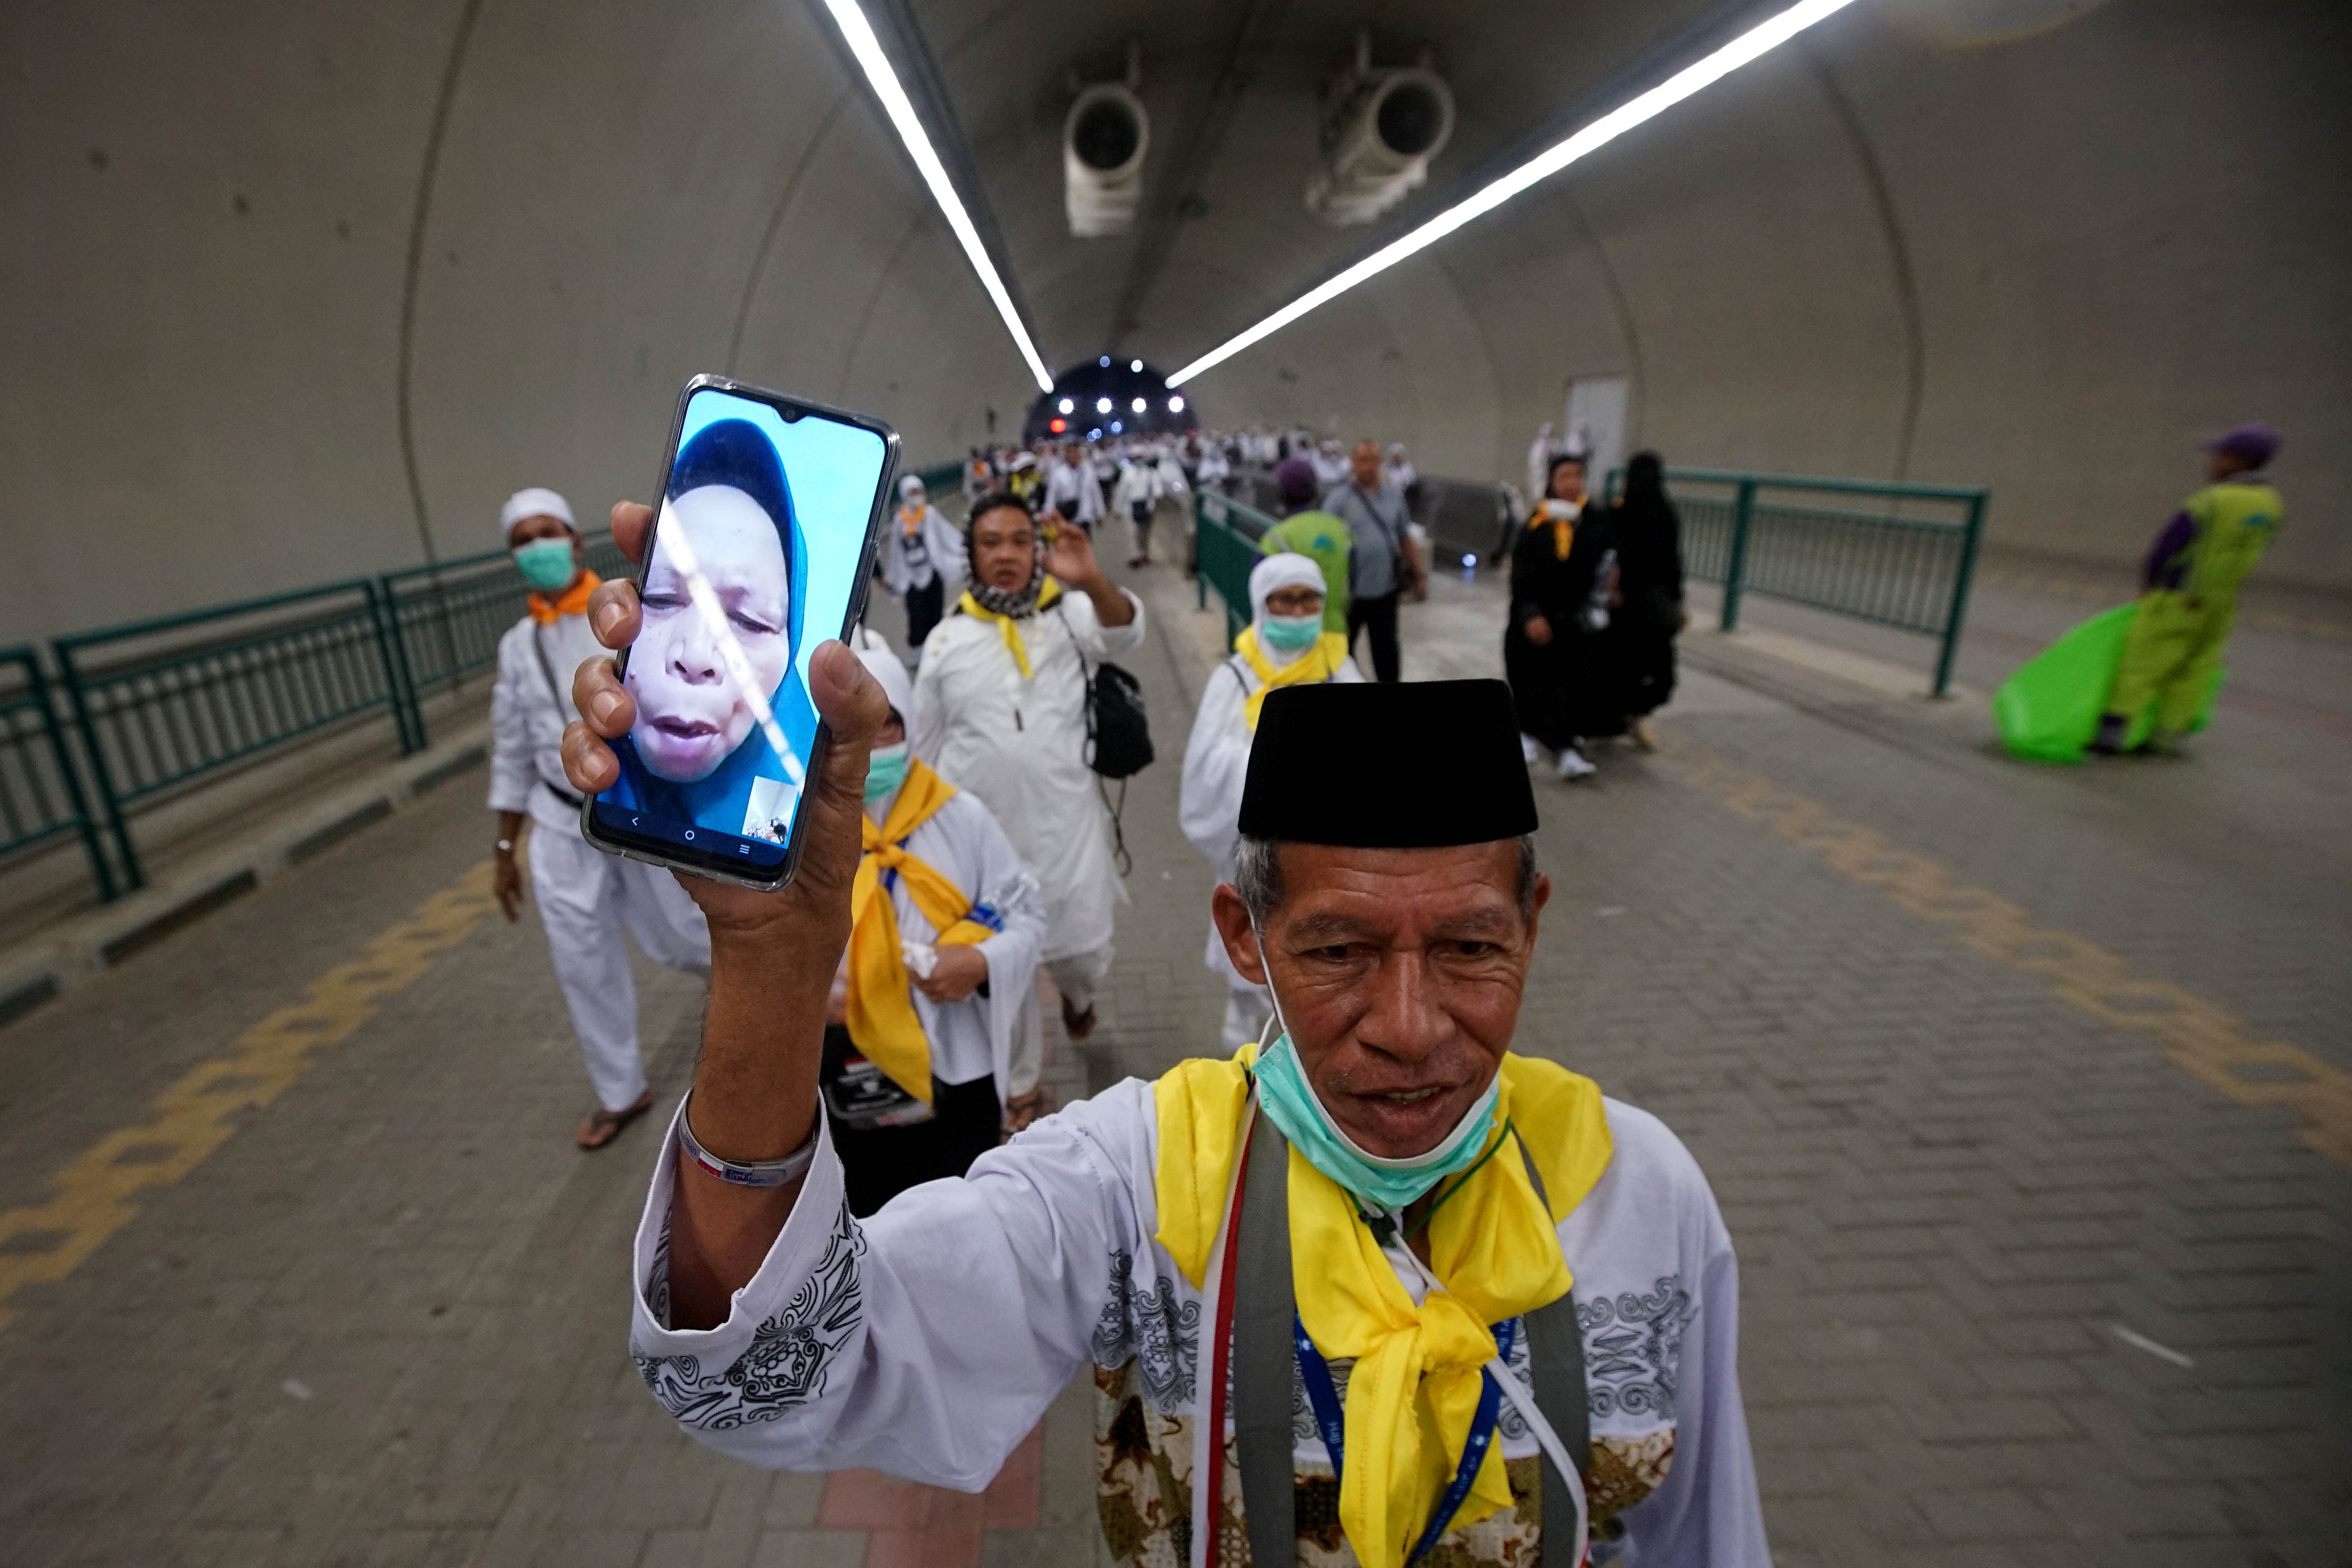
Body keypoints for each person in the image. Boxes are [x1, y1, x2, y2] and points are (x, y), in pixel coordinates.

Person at [557, 643, 1769, 1567]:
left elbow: (1706, 1536)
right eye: (1338, 950)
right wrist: (771, 974)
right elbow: (767, 1378)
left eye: (1468, 947)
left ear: (1533, 923)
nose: (1409, 1024)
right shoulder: (1130, 1184)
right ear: (1243, 937)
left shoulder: (1636, 1192)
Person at [486, 486, 710, 1150]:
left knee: (680, 935)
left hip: (630, 807)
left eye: (547, 533)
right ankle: (622, 1090)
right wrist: (504, 846)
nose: (537, 549)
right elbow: (512, 747)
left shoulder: (618, 612)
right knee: (582, 961)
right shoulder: (517, 645)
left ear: (576, 541)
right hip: (557, 827)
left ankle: (772, 1000)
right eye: (522, 540)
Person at [820, 642, 1048, 1213]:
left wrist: (980, 964)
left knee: (962, 1212)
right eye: (848, 728)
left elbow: (1024, 913)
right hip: (843, 1072)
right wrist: (803, 993)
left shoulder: (959, 817)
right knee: (868, 1219)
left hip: (956, 1069)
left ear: (912, 725)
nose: (870, 747)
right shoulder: (798, 828)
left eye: (886, 725)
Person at [912, 492, 1145, 1044]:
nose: (1007, 555)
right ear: (971, 555)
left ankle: (1078, 996)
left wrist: (1089, 579)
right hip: (985, 840)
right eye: (990, 543)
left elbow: (1124, 633)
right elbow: (923, 743)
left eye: (1021, 541)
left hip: (1068, 827)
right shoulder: (946, 640)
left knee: (1083, 950)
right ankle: (1019, 1088)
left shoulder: (1071, 615)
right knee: (998, 962)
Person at [1181, 552, 1363, 1051]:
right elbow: (1203, 775)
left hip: (1328, 856)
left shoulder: (1339, 670)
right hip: (1254, 855)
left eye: (1309, 600)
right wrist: (1271, 765)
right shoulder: (1235, 680)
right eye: (1285, 600)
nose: (1298, 612)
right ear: (1263, 606)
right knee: (1254, 972)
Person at [598, 418, 810, 842]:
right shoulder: (601, 787)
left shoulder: (788, 788)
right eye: (658, 598)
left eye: (751, 620)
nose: (694, 655)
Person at [2092, 423, 2285, 755]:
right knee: (2194, 670)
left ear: (2239, 461)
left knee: (2142, 664)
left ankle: (2113, 734)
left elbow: (2166, 548)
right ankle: (2169, 738)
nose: (2211, 463)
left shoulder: (2210, 501)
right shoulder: (2271, 505)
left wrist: (2149, 586)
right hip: (2222, 605)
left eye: (2219, 456)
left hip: (2180, 598)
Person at [1506, 454, 1619, 780]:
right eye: (1565, 477)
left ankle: (1567, 748)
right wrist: (1530, 615)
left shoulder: (1594, 522)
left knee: (1570, 683)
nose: (1573, 484)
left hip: (1575, 622)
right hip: (1536, 620)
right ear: (1553, 482)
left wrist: (1610, 586)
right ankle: (1524, 732)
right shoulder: (1536, 525)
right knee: (1530, 679)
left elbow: (1609, 562)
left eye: (1579, 476)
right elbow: (1522, 579)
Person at [1601, 452, 1686, 750]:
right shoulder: (1661, 512)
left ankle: (1631, 715)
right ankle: (1631, 716)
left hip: (1638, 604)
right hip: (1635, 604)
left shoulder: (1629, 511)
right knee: (1645, 665)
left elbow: (1673, 562)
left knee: (1632, 664)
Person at [1323, 438, 1425, 683]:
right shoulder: (1338, 500)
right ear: (1353, 463)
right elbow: (1325, 540)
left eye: (1373, 461)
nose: (1368, 467)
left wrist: (1420, 575)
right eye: (1363, 461)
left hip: (1385, 589)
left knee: (1386, 650)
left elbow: (1404, 537)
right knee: (1343, 649)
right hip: (1351, 593)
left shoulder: (1393, 497)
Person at [1257, 457, 1354, 634]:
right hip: (1336, 630)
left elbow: (1259, 592)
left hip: (1294, 634)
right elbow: (1354, 575)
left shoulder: (1278, 538)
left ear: (1283, 492)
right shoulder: (1340, 529)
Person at [878, 473, 964, 666]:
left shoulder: (930, 513)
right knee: (916, 615)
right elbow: (896, 551)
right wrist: (894, 577)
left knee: (935, 611)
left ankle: (938, 649)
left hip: (932, 573)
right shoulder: (900, 520)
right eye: (913, 492)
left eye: (919, 491)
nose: (917, 495)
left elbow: (947, 536)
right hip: (911, 577)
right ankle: (918, 651)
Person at [1113, 446, 1161, 566]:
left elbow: (1158, 491)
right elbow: (1121, 493)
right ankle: (1136, 556)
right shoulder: (1128, 474)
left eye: (1141, 457)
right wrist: (1117, 510)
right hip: (1130, 508)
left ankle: (1145, 555)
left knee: (1145, 533)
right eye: (1136, 457)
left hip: (1148, 508)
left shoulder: (1152, 473)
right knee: (1133, 533)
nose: (1139, 459)